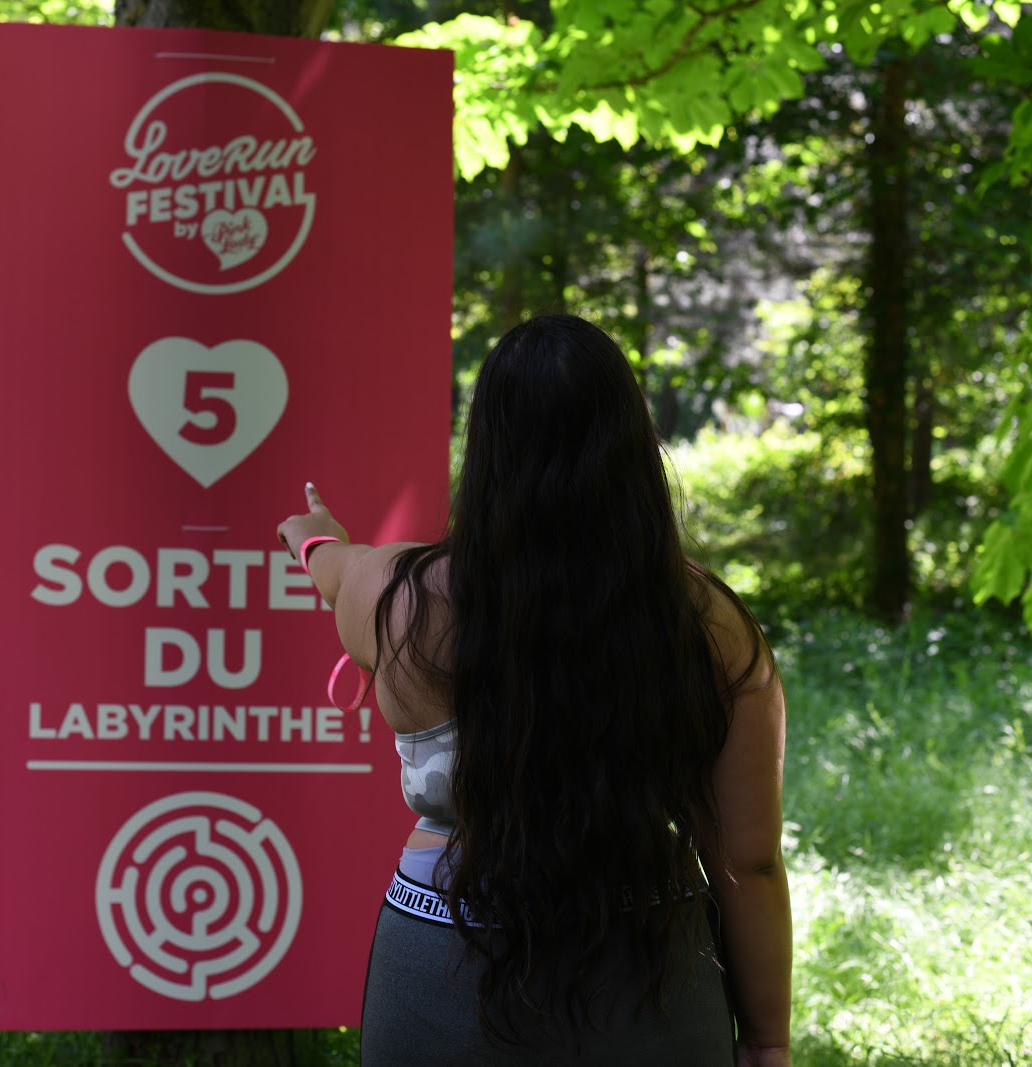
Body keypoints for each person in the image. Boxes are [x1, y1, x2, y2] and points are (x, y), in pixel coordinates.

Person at [276, 314, 791, 1065]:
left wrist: (313, 537)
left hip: (440, 961)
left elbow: (334, 568)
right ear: (634, 444)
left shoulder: (397, 596)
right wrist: (768, 1040)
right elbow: (750, 860)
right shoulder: (708, 620)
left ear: (487, 445)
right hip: (654, 967)